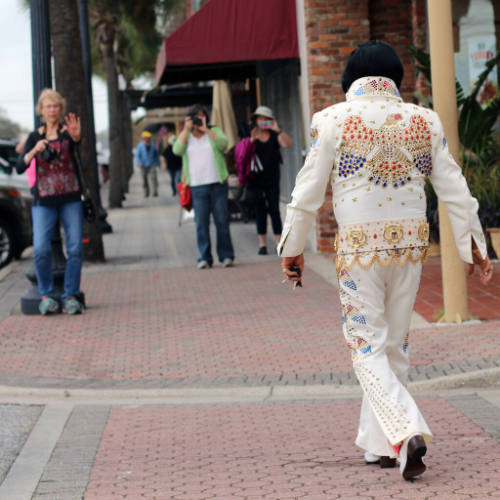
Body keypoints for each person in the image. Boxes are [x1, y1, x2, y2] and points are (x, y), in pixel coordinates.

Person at [278, 41, 493, 480]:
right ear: (396, 79)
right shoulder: (424, 119)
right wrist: (474, 243)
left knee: (366, 347)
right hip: (410, 248)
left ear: (349, 82)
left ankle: (405, 429)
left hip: (359, 252)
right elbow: (454, 187)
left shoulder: (331, 119)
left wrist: (292, 247)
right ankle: (381, 446)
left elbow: (306, 193)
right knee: (394, 345)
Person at [16, 88, 85, 315]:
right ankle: (47, 295)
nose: (52, 110)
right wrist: (34, 150)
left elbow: (77, 146)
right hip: (43, 200)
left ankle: (71, 295)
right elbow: (20, 166)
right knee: (41, 249)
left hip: (70, 197)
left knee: (74, 248)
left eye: (55, 106)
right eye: (48, 106)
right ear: (41, 110)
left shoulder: (67, 133)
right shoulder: (35, 136)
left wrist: (76, 138)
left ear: (60, 109)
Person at [173, 104, 235, 269]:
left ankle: (226, 255)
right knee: (201, 223)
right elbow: (177, 150)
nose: (199, 120)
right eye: (195, 117)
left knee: (222, 220)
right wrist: (186, 130)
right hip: (197, 186)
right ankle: (204, 257)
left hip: (217, 183)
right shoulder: (186, 136)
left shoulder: (214, 131)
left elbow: (224, 144)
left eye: (202, 117)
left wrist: (206, 129)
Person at [246, 106, 292, 255]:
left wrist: (277, 129)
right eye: (260, 119)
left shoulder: (274, 134)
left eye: (266, 119)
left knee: (274, 210)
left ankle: (279, 242)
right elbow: (244, 154)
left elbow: (287, 144)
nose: (263, 122)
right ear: (256, 121)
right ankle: (262, 244)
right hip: (256, 180)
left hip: (273, 178)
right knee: (260, 211)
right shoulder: (252, 134)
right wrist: (252, 139)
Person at [135, 130, 160, 197]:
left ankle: (155, 191)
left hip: (152, 164)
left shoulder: (153, 145)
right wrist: (139, 162)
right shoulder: (140, 146)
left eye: (148, 138)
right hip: (143, 165)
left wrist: (157, 163)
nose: (147, 139)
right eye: (146, 138)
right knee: (144, 180)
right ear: (143, 138)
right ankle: (146, 192)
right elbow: (137, 155)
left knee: (154, 178)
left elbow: (156, 155)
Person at [161, 123, 182, 196]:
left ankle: (179, 191)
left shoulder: (178, 147)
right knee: (173, 180)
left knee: (179, 180)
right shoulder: (167, 149)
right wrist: (164, 164)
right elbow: (163, 156)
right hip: (170, 167)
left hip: (178, 166)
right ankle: (174, 191)